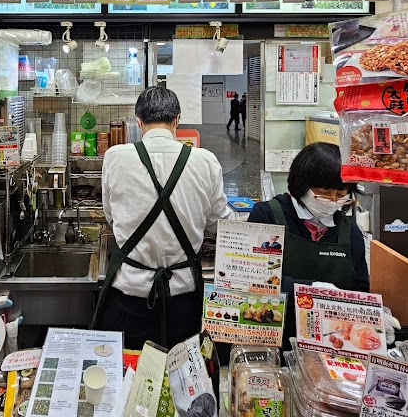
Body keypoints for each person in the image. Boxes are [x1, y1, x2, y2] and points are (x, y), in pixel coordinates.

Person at [93, 87, 231, 350]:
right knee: (182, 372)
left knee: (131, 370)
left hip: (129, 296)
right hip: (184, 298)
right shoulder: (205, 161)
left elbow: (111, 217)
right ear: (177, 120)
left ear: (139, 122)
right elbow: (219, 223)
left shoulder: (115, 157)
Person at [247, 142, 368, 348]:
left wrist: (370, 320)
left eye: (341, 195)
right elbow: (252, 280)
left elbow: (360, 292)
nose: (332, 201)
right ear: (302, 185)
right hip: (271, 340)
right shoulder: (267, 216)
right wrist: (311, 289)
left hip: (330, 346)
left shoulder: (351, 233)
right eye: (324, 192)